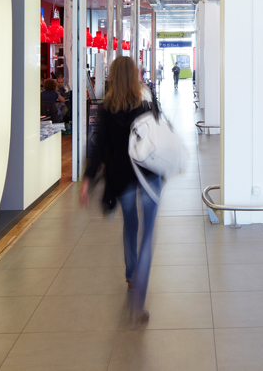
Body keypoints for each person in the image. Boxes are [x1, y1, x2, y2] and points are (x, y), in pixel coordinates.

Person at [80, 56, 162, 327]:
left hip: (123, 178)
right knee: (147, 235)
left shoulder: (107, 109)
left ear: (113, 77)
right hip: (149, 175)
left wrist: (87, 180)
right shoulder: (147, 102)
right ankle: (137, 303)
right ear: (136, 75)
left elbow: (100, 147)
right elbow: (161, 133)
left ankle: (130, 275)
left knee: (130, 225)